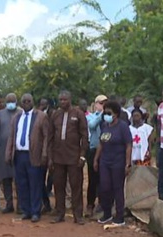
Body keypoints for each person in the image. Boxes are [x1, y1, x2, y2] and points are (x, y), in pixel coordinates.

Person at [47, 90, 89, 224]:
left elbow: (84, 136)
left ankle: (78, 215)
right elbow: (50, 137)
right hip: (58, 157)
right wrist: (50, 157)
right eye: (60, 100)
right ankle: (60, 213)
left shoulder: (78, 114)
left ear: (70, 100)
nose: (62, 102)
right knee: (58, 186)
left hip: (74, 157)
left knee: (76, 186)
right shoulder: (55, 114)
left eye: (65, 99)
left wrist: (82, 156)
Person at [6, 93, 49, 222]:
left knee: (35, 184)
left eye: (28, 101)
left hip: (34, 155)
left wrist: (45, 154)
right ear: (20, 103)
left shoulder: (41, 116)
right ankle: (26, 211)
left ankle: (36, 212)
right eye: (24, 101)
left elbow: (46, 137)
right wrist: (8, 153)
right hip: (19, 155)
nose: (26, 103)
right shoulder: (16, 117)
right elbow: (12, 136)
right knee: (22, 184)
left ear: (33, 102)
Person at [94, 100, 132, 226]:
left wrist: (127, 163)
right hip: (105, 161)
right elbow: (101, 143)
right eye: (105, 113)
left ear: (116, 114)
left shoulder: (123, 127)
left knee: (117, 188)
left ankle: (120, 216)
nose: (106, 115)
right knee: (104, 188)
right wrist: (96, 159)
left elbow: (128, 145)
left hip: (118, 161)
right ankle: (107, 213)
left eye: (109, 113)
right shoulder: (105, 126)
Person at [0, 93, 18, 214]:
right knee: (5, 178)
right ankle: (9, 203)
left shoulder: (21, 113)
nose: (11, 103)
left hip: (17, 151)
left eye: (13, 101)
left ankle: (21, 204)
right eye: (9, 101)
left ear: (16, 102)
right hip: (2, 150)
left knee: (18, 178)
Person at [86, 94, 107, 217]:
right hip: (93, 150)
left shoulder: (108, 117)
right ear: (96, 104)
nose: (103, 105)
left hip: (106, 150)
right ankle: (90, 205)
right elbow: (92, 126)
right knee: (92, 179)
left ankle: (102, 204)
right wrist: (101, 114)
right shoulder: (91, 116)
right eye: (101, 103)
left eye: (105, 103)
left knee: (104, 179)